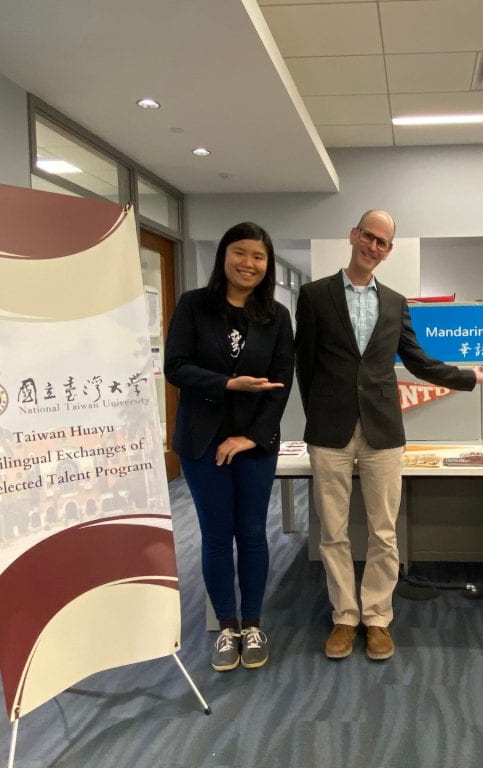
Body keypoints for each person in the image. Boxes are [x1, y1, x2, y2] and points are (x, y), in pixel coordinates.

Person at [295, 209, 483, 661]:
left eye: (382, 243)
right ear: (354, 235)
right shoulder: (314, 295)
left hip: (383, 429)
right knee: (332, 532)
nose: (373, 247)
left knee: (383, 531)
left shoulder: (394, 302)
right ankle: (344, 616)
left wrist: (467, 376)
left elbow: (416, 360)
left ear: (388, 251)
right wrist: (318, 415)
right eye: (368, 237)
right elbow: (305, 365)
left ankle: (376, 617)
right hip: (329, 431)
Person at [164, 222, 294, 672]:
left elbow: (281, 383)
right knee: (217, 535)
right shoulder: (193, 305)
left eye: (258, 256)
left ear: (267, 265)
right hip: (202, 441)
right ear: (224, 255)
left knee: (253, 532)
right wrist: (227, 383)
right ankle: (226, 626)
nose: (248, 263)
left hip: (255, 442)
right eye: (240, 252)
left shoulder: (276, 316)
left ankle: (253, 624)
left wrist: (252, 436)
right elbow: (175, 367)